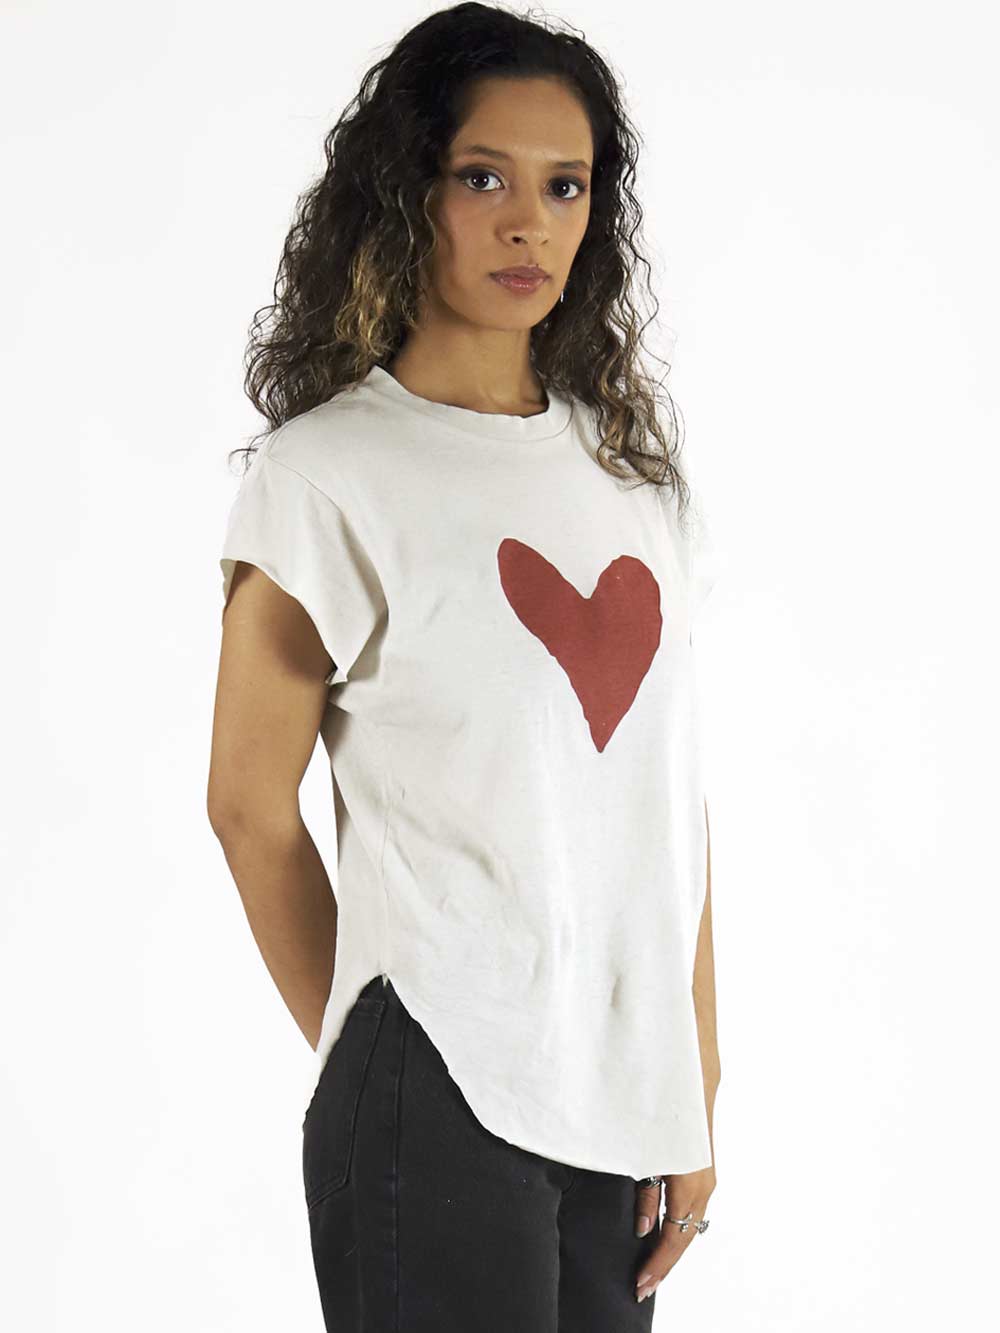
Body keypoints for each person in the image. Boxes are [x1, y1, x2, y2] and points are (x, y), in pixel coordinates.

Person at [207, 4, 722, 1329]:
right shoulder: (328, 473)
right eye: (482, 175)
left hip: (612, 1106)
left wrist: (688, 1085)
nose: (527, 222)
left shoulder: (633, 490)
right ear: (408, 191)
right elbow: (249, 804)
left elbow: (666, 810)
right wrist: (381, 1047)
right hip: (433, 1083)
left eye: (566, 186)